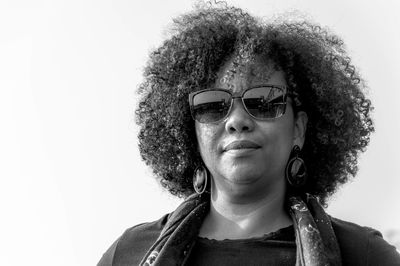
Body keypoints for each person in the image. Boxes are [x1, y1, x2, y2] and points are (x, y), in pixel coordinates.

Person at [98, 3, 400, 266]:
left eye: (264, 101)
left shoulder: (364, 256)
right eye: (213, 105)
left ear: (299, 129)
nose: (237, 120)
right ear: (190, 132)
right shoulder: (129, 254)